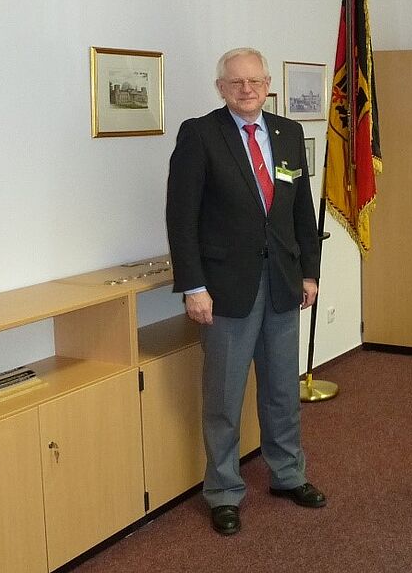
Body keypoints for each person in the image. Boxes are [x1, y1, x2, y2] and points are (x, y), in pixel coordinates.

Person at [166, 47, 326, 537]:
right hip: (224, 290)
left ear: (268, 83)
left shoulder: (289, 133)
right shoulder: (200, 135)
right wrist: (194, 286)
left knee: (282, 389)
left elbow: (302, 213)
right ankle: (223, 490)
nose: (247, 90)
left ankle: (287, 473)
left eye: (255, 81)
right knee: (224, 397)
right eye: (236, 83)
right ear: (221, 88)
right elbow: (181, 218)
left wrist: (310, 273)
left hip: (282, 282)